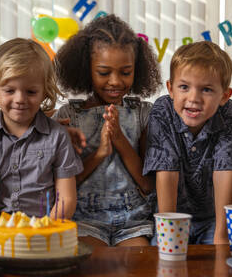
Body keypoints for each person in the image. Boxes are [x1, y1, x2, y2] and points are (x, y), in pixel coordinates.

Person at [53, 14, 162, 246]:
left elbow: (147, 184)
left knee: (140, 266)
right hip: (85, 219)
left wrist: (120, 141)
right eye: (104, 72)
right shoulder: (67, 117)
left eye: (125, 72)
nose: (115, 81)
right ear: (86, 69)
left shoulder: (145, 114)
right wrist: (101, 152)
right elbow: (67, 184)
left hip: (133, 221)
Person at [0, 38, 84, 240]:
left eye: (31, 91)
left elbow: (66, 198)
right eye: (9, 90)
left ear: (44, 92)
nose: (20, 99)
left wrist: (45, 233)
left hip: (45, 231)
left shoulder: (58, 136)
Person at [143, 41, 232, 245]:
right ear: (170, 88)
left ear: (224, 96)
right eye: (184, 87)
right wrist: (168, 234)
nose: (193, 98)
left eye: (206, 90)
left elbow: (225, 171)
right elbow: (166, 173)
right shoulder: (163, 110)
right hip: (170, 216)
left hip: (210, 218)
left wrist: (221, 236)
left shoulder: (229, 112)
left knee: (225, 252)